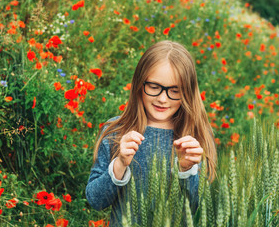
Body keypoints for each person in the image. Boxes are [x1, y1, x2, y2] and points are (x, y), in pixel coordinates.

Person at [85, 40, 217, 226]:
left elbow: (201, 209)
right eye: (154, 87)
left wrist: (187, 171)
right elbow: (95, 200)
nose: (162, 98)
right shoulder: (116, 132)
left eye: (174, 90)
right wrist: (120, 164)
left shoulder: (195, 140)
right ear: (139, 83)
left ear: (187, 92)